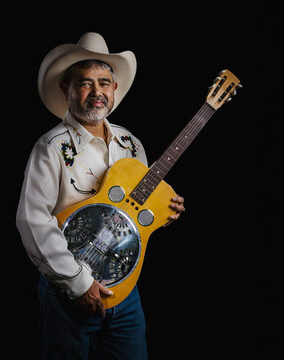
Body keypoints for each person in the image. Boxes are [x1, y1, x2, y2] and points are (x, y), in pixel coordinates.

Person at [16, 32, 185, 360]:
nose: (97, 92)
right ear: (66, 89)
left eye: (104, 83)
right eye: (85, 83)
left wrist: (163, 212)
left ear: (114, 89)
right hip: (68, 294)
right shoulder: (50, 148)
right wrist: (79, 284)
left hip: (126, 290)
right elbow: (32, 220)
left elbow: (135, 212)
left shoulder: (131, 145)